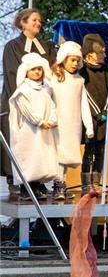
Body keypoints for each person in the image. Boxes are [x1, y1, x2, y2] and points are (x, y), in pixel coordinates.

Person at [1, 8, 55, 194]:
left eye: (39, 20)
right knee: (20, 141)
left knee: (38, 143)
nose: (38, 23)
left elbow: (50, 73)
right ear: (23, 22)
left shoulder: (45, 46)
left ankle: (37, 181)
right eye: (34, 20)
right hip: (20, 100)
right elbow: (12, 75)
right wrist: (24, 99)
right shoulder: (12, 46)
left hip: (41, 101)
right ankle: (15, 180)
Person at [9, 53, 59, 200]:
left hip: (43, 131)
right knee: (29, 158)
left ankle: (37, 187)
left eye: (39, 69)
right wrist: (39, 121)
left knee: (40, 159)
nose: (37, 72)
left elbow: (52, 105)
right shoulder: (23, 91)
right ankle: (26, 189)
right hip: (29, 131)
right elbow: (26, 109)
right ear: (26, 71)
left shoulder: (45, 89)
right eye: (34, 69)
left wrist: (52, 120)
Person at [50, 41, 94, 199]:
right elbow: (47, 100)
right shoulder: (53, 78)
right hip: (57, 122)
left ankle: (63, 183)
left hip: (73, 124)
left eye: (77, 60)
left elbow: (84, 105)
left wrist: (89, 126)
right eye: (72, 60)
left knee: (67, 155)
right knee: (58, 155)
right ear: (63, 58)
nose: (75, 64)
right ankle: (58, 184)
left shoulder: (79, 81)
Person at [79, 34, 108, 193]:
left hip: (105, 116)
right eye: (100, 52)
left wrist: (107, 111)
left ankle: (96, 182)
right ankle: (86, 184)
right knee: (89, 151)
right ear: (89, 53)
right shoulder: (83, 71)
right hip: (91, 118)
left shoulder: (106, 70)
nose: (104, 55)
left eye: (104, 52)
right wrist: (97, 114)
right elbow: (85, 95)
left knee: (101, 151)